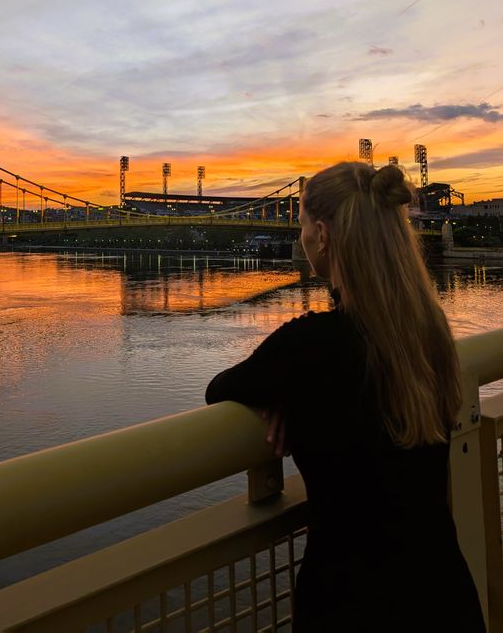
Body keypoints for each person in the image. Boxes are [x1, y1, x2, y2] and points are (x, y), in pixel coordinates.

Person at [205, 162, 485, 633]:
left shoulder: (309, 346)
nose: (300, 239)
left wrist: (282, 395)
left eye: (300, 226)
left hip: (350, 606)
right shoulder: (431, 333)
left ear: (322, 234)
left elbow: (220, 390)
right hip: (446, 598)